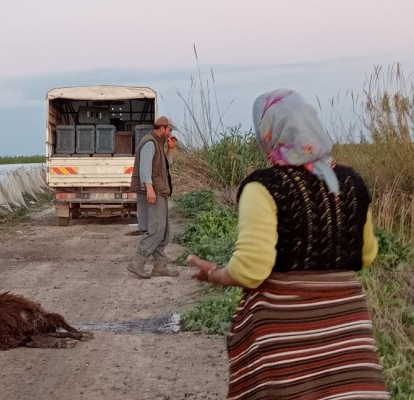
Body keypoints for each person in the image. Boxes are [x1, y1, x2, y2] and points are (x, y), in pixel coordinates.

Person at [187, 89, 390, 399]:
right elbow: (367, 254)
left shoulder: (264, 186)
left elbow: (251, 270)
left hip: (287, 333)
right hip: (347, 330)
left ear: (268, 132)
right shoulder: (351, 182)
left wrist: (214, 273)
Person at [127, 116, 179, 278]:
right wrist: (149, 188)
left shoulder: (158, 144)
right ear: (162, 128)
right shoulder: (149, 143)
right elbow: (144, 169)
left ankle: (160, 266)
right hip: (152, 192)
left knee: (163, 230)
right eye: (169, 130)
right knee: (155, 229)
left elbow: (164, 168)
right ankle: (137, 263)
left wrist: (170, 150)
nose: (170, 133)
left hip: (158, 191)